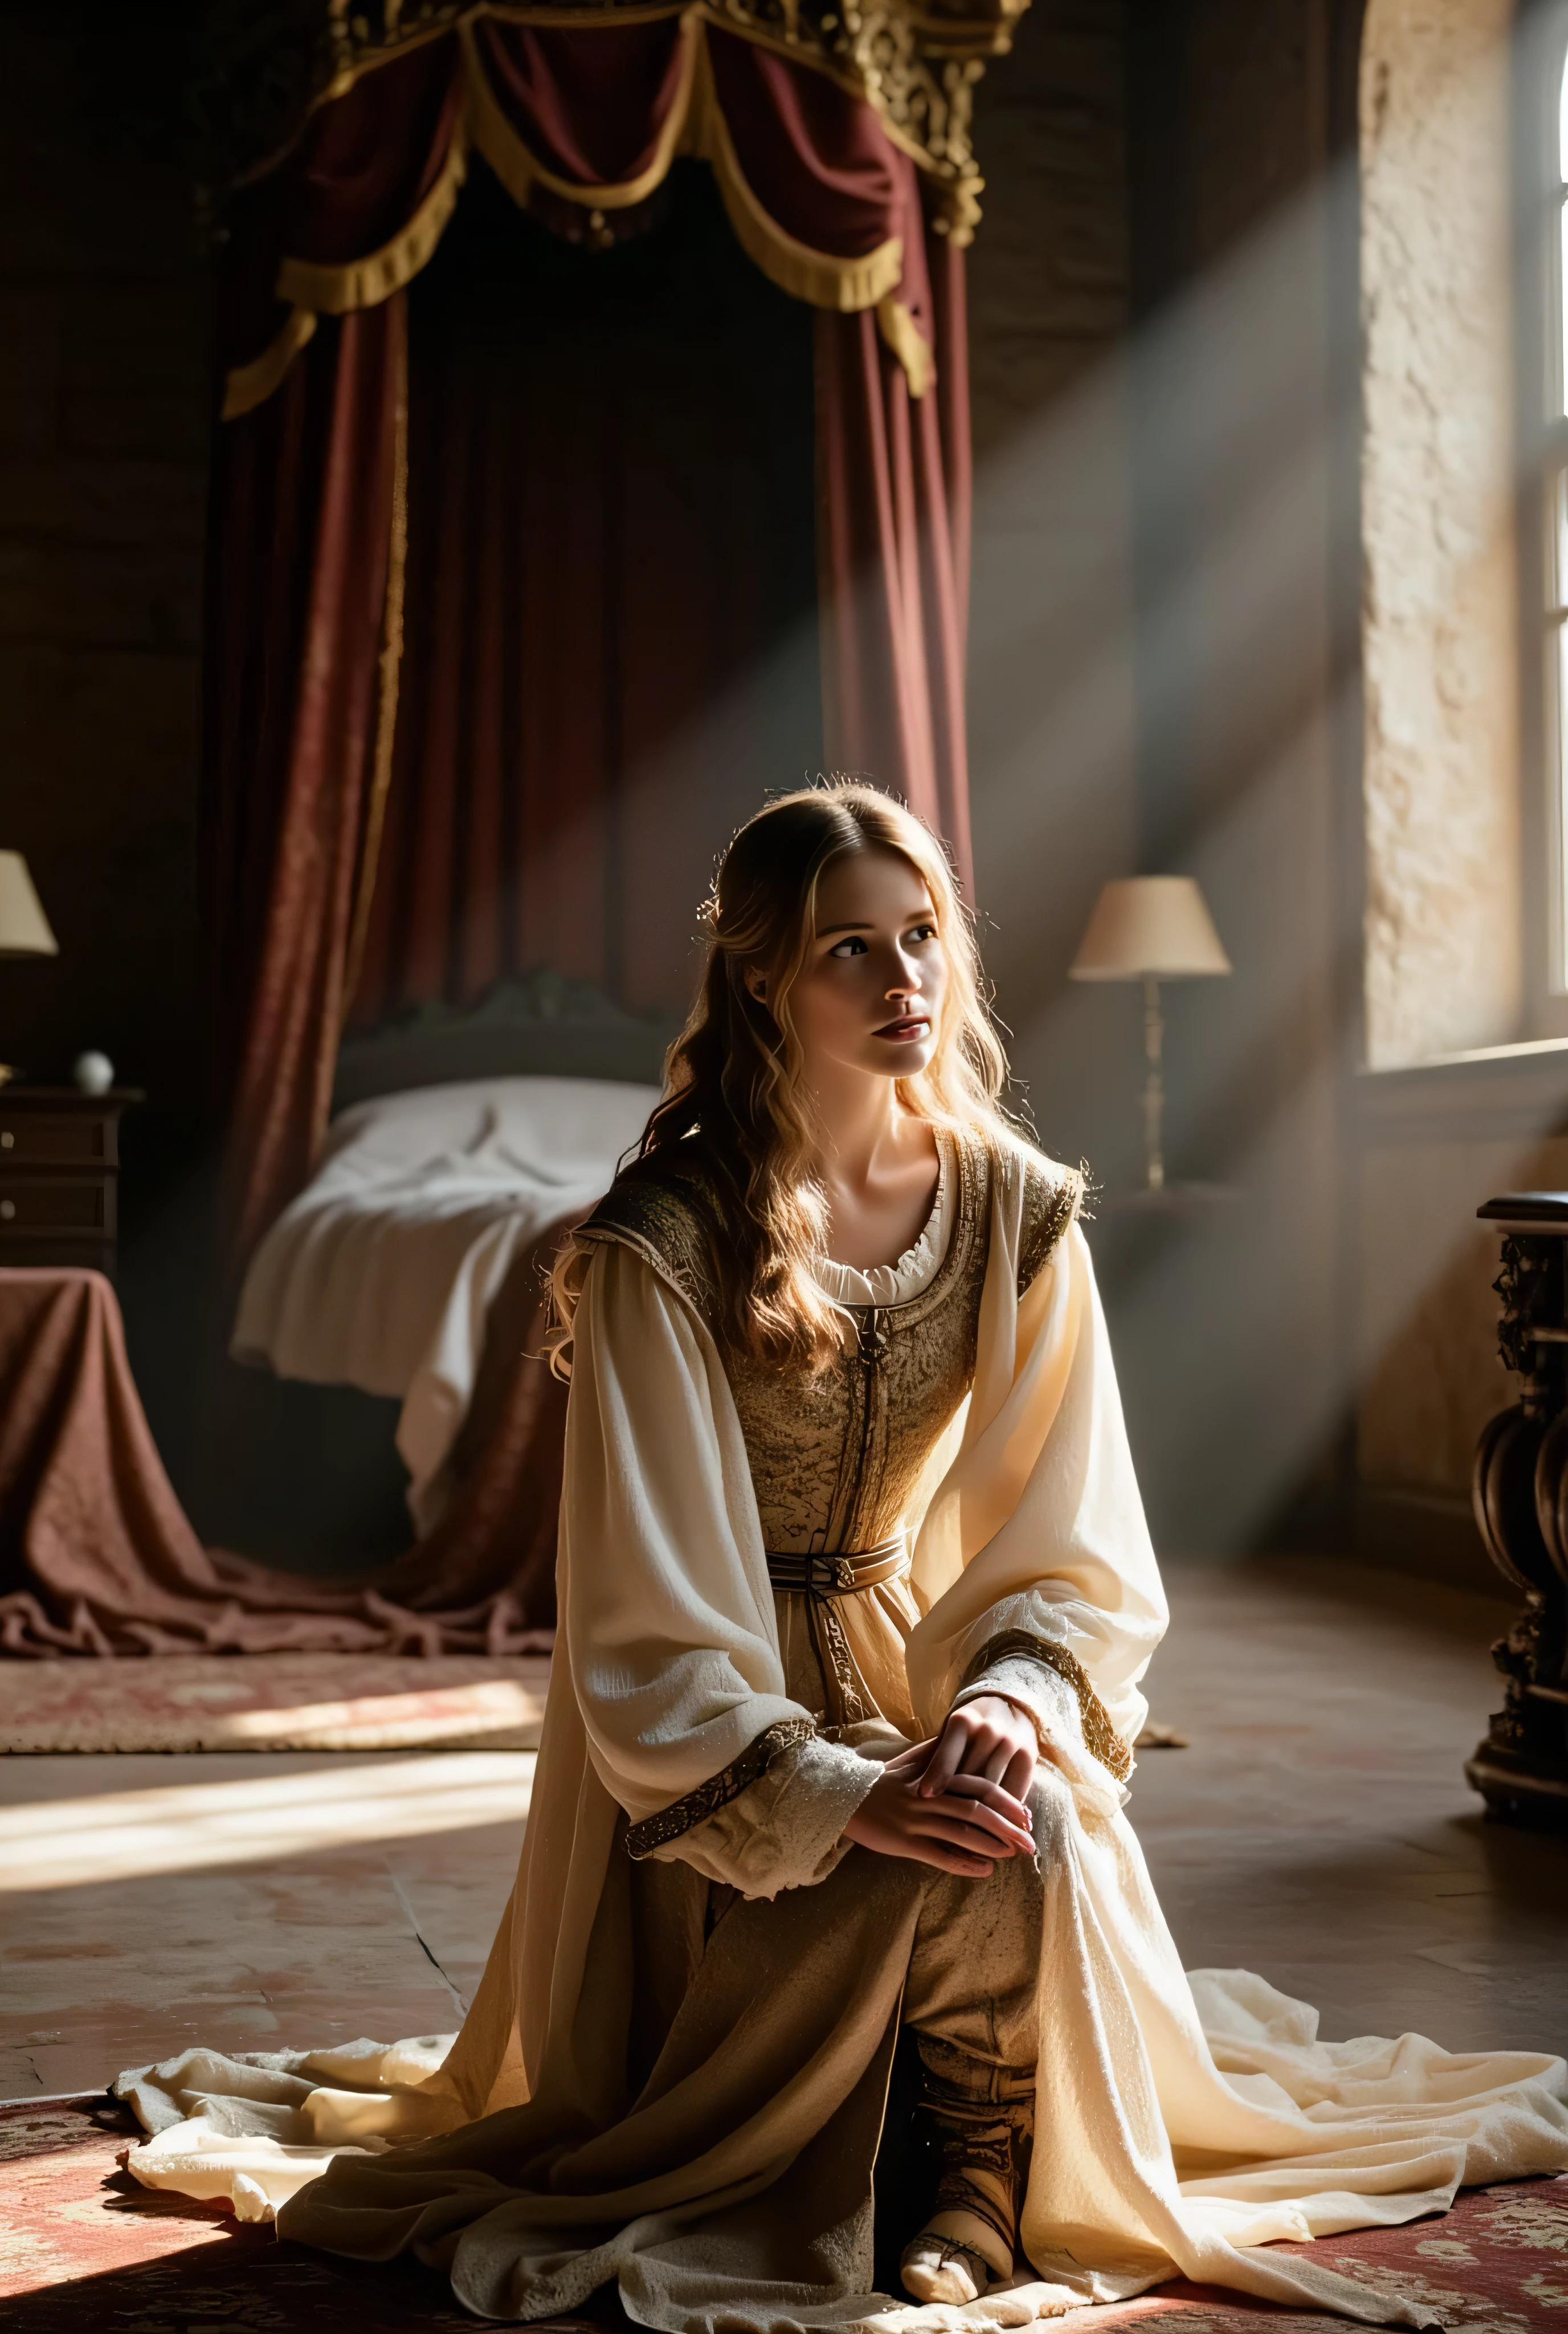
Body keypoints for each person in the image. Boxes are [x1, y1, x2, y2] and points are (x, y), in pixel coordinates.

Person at [119, 785, 1568, 2331]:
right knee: (895, 1853)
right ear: (761, 980)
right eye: (850, 951)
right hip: (711, 1743)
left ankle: (979, 2171)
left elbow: (1071, 1533)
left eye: (925, 937)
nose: (906, 984)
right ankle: (894, 2144)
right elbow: (643, 1630)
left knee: (1021, 1813)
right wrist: (842, 1791)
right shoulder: (656, 1250)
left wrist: (1012, 1699)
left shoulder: (1016, 1214)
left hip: (918, 1652)